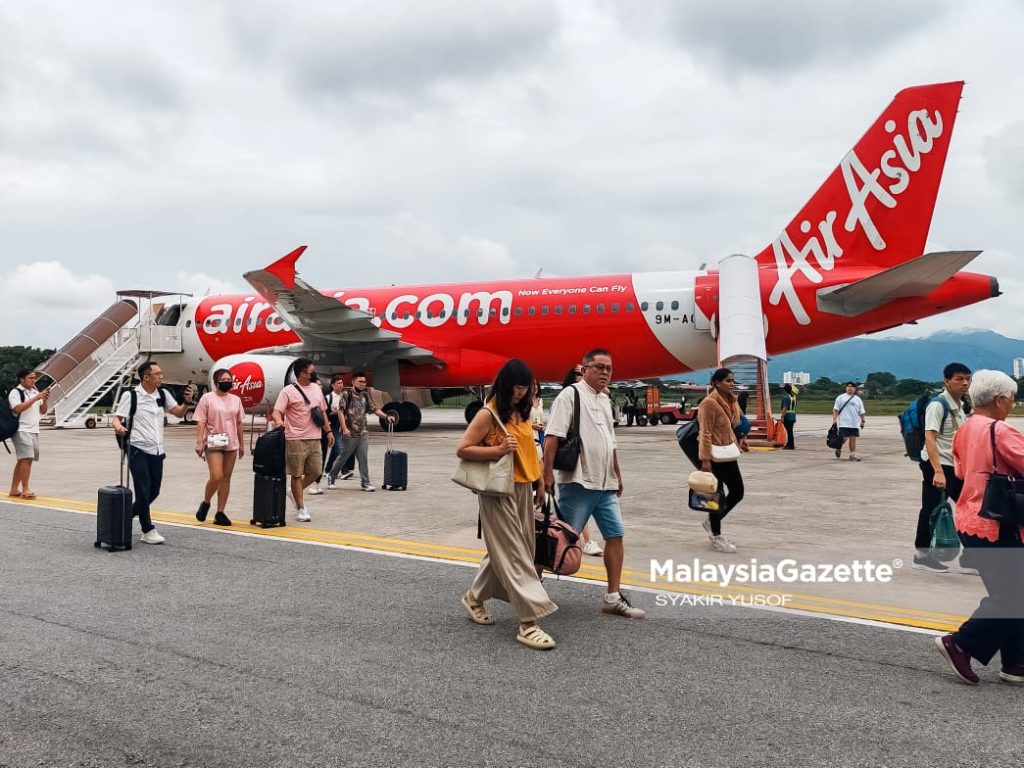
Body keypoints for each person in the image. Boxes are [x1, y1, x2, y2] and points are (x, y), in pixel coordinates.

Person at [458, 359, 558, 650]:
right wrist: (498, 450)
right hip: (497, 491)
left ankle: (474, 597)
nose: (522, 392)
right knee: (516, 554)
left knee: (517, 547)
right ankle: (529, 622)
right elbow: (463, 448)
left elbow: (528, 451)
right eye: (517, 387)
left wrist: (539, 481)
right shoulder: (488, 414)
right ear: (505, 385)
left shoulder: (521, 413)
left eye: (526, 387)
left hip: (524, 487)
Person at [934, 370, 1024, 686]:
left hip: (970, 518)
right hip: (998, 523)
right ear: (1000, 400)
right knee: (1015, 595)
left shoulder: (966, 428)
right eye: (1012, 399)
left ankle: (1016, 663)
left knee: (1011, 592)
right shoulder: (1000, 431)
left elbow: (960, 469)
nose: (1012, 405)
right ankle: (961, 643)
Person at [543, 349, 645, 619]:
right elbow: (552, 437)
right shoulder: (570, 396)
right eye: (598, 367)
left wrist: (617, 475)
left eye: (609, 369)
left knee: (615, 535)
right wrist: (547, 474)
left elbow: (611, 443)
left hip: (605, 483)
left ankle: (612, 596)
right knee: (558, 539)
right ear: (585, 368)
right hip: (578, 482)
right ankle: (532, 590)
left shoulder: (604, 400)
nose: (604, 373)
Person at [112, 361, 194, 544]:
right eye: (158, 374)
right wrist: (119, 427)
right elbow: (117, 418)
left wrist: (187, 402)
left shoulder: (163, 395)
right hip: (136, 448)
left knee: (154, 491)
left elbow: (178, 413)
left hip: (157, 450)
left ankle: (122, 518)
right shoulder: (131, 395)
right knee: (142, 489)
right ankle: (147, 529)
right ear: (146, 377)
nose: (161, 376)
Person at [913, 363, 972, 574]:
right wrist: (937, 471)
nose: (965, 383)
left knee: (969, 510)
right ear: (946, 381)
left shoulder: (961, 406)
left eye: (967, 378)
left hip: (954, 466)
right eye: (959, 378)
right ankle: (922, 557)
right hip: (937, 465)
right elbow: (930, 437)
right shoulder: (938, 405)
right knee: (931, 510)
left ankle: (970, 558)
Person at [271, 359, 334, 522]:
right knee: (296, 474)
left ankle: (293, 492)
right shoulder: (287, 391)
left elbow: (323, 413)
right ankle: (301, 508)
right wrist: (279, 422)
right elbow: (277, 412)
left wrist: (328, 432)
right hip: (295, 439)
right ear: (302, 373)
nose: (314, 374)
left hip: (315, 437)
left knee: (316, 471)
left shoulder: (316, 389)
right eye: (311, 371)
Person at [697, 368, 750, 553]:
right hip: (713, 455)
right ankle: (716, 536)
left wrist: (741, 439)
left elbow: (735, 424)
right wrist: (705, 460)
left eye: (732, 380)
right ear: (716, 383)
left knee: (738, 491)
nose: (731, 384)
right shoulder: (709, 403)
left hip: (728, 452)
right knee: (716, 496)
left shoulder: (732, 400)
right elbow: (705, 432)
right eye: (728, 381)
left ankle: (712, 520)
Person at [557, 364, 603, 557]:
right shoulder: (566, 399)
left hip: (590, 459)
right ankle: (585, 541)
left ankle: (568, 540)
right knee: (578, 502)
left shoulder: (592, 399)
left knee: (575, 505)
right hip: (572, 459)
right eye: (578, 373)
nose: (582, 375)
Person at [325, 371, 395, 492]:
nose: (364, 384)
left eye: (365, 381)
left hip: (362, 433)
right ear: (353, 382)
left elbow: (374, 409)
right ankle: (331, 476)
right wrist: (344, 428)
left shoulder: (365, 395)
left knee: (363, 458)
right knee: (343, 457)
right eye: (361, 381)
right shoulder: (346, 394)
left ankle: (365, 483)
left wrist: (386, 417)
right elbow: (341, 412)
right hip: (349, 434)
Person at [193, 368, 245, 526]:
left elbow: (239, 422)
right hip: (214, 440)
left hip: (231, 442)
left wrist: (241, 444)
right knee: (217, 476)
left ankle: (220, 512)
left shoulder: (236, 399)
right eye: (223, 379)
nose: (227, 382)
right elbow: (201, 421)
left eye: (229, 379)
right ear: (216, 382)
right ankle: (206, 502)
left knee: (226, 478)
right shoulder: (207, 398)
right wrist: (199, 441)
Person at [7, 369, 50, 499]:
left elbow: (43, 411)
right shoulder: (16, 392)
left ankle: (14, 489)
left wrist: (45, 399)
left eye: (34, 378)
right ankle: (25, 489)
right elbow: (17, 408)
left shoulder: (34, 391)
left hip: (34, 429)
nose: (34, 380)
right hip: (21, 429)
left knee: (23, 460)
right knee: (27, 458)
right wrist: (36, 398)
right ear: (22, 379)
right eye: (30, 378)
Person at [832, 382, 866, 460]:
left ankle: (852, 455)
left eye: (852, 387)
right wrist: (834, 419)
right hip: (844, 422)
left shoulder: (857, 399)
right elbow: (836, 409)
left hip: (854, 423)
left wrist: (863, 421)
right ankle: (838, 447)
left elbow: (861, 411)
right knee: (844, 437)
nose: (850, 388)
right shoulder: (841, 398)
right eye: (848, 386)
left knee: (853, 438)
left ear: (854, 389)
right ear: (846, 388)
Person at [779, 383, 797, 450]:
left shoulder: (786, 397)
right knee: (790, 431)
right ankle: (790, 444)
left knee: (789, 431)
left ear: (785, 390)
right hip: (793, 416)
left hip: (788, 416)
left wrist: (782, 417)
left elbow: (785, 408)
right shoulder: (793, 397)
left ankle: (790, 445)